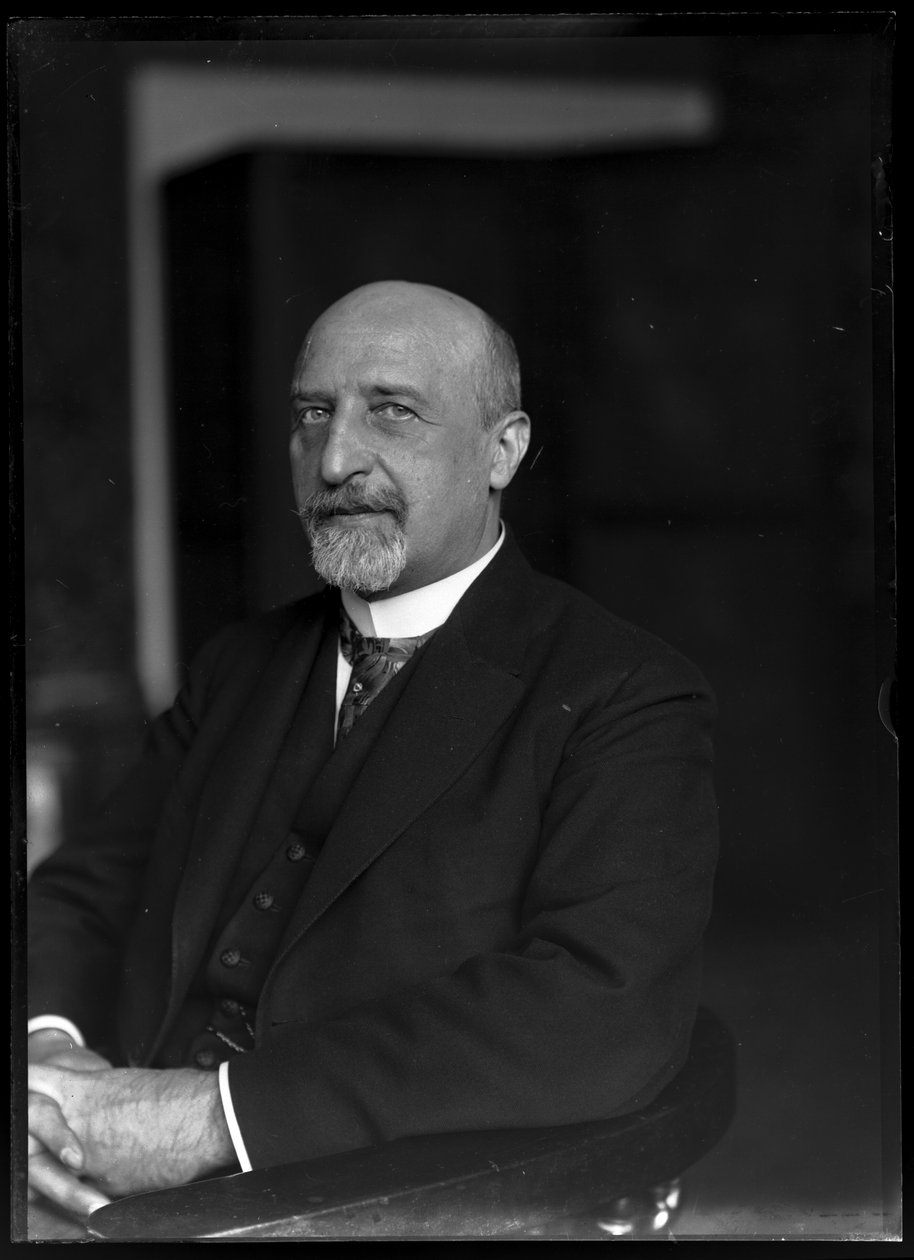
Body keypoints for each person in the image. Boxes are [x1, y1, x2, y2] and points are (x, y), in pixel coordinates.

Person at [27, 280, 719, 1225]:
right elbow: (83, 892)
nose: (336, 458)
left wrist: (207, 1119)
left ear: (503, 450)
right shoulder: (238, 664)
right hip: (94, 1161)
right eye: (313, 413)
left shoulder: (626, 694)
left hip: (362, 1204)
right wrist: (49, 1060)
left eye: (392, 411)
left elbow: (601, 1009)